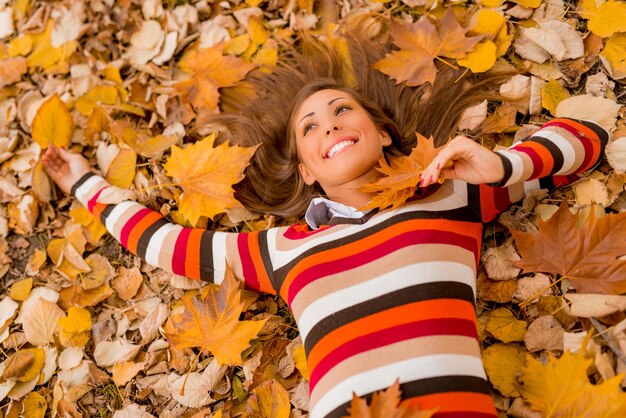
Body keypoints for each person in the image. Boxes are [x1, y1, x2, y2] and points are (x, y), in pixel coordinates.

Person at [42, 16, 609, 418]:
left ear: (383, 132)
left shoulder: (448, 194)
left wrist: (503, 166)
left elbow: (586, 140)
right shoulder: (282, 250)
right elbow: (163, 242)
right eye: (309, 128)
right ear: (308, 172)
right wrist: (84, 185)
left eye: (342, 111)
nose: (329, 126)